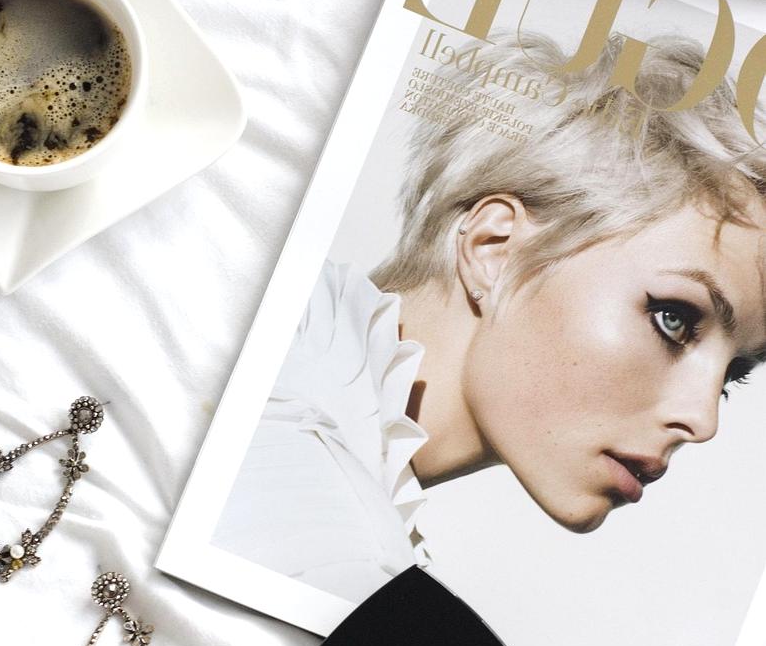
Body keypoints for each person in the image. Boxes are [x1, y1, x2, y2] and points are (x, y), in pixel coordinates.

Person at [213, 32, 766, 599]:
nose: (703, 422)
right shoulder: (301, 503)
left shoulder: (277, 358)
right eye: (673, 320)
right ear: (493, 247)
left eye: (732, 375)